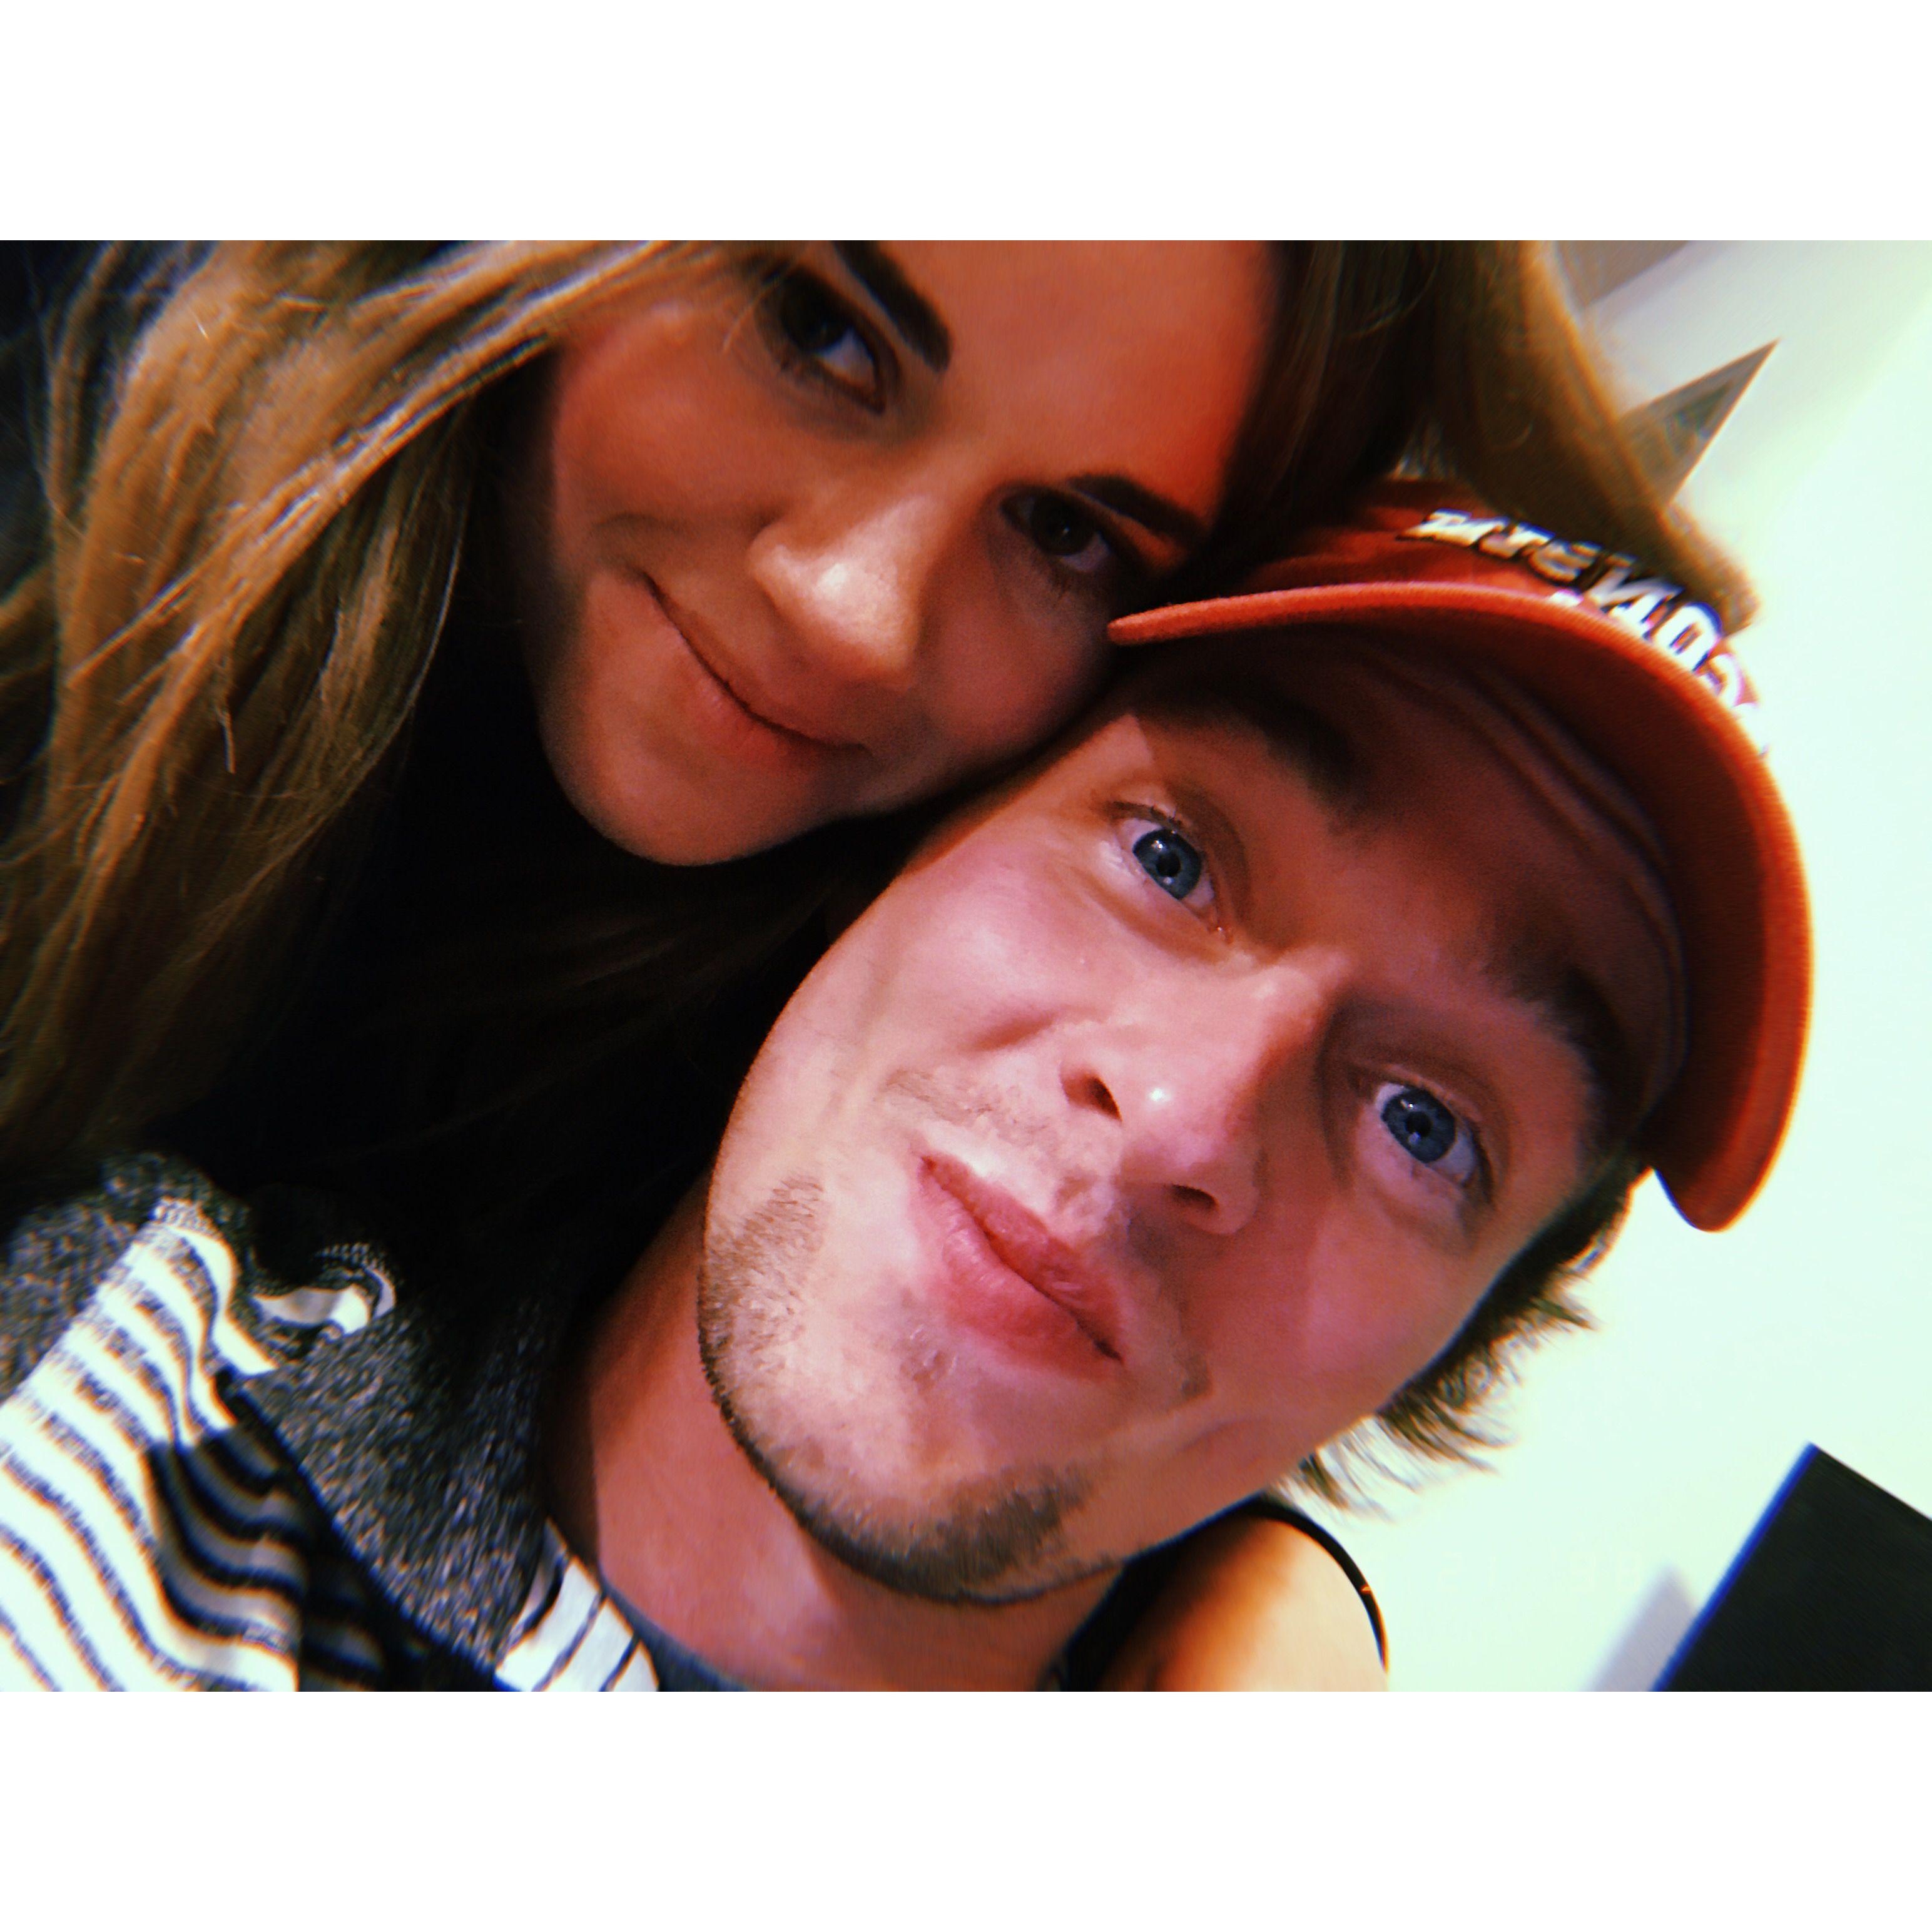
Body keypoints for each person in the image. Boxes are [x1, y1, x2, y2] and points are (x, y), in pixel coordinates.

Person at [0, 242, 1748, 1686]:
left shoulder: (740, 888)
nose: (856, 614)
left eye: (1427, 1126)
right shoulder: (127, 1393)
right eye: (821, 326)